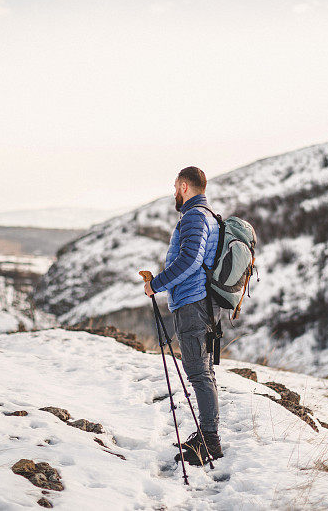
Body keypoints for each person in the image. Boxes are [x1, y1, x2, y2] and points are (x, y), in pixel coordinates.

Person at [143, 166, 223, 465]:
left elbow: (189, 261)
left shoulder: (194, 216)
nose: (174, 192)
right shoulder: (208, 215)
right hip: (201, 302)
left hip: (193, 303)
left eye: (175, 186)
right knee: (203, 371)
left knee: (198, 372)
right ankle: (208, 434)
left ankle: (210, 442)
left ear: (184, 186)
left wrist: (156, 285)